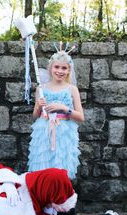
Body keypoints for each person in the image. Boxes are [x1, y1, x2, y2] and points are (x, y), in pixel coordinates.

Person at [28, 45, 84, 180]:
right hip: (44, 130)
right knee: (43, 166)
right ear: (51, 68)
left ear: (69, 70)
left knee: (61, 167)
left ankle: (58, 198)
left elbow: (81, 117)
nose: (60, 71)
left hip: (64, 131)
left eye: (64, 68)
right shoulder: (41, 89)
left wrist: (65, 108)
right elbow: (35, 116)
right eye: (56, 67)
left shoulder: (72, 89)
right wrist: (38, 106)